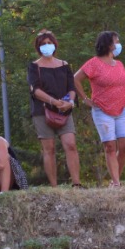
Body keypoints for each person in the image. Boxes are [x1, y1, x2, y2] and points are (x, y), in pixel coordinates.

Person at [75, 31, 125, 187]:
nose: (119, 44)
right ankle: (116, 183)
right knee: (110, 147)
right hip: (102, 111)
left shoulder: (119, 64)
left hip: (122, 110)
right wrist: (85, 99)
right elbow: (75, 79)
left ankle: (115, 180)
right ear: (108, 44)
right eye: (116, 41)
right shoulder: (93, 63)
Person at [27, 30, 81, 187]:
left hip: (65, 111)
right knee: (49, 149)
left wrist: (70, 102)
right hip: (42, 112)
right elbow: (35, 90)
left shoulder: (64, 65)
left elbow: (72, 87)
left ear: (55, 44)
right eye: (43, 44)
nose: (47, 46)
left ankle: (76, 183)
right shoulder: (34, 66)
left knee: (70, 144)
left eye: (49, 43)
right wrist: (53, 102)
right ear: (38, 47)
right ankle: (54, 186)